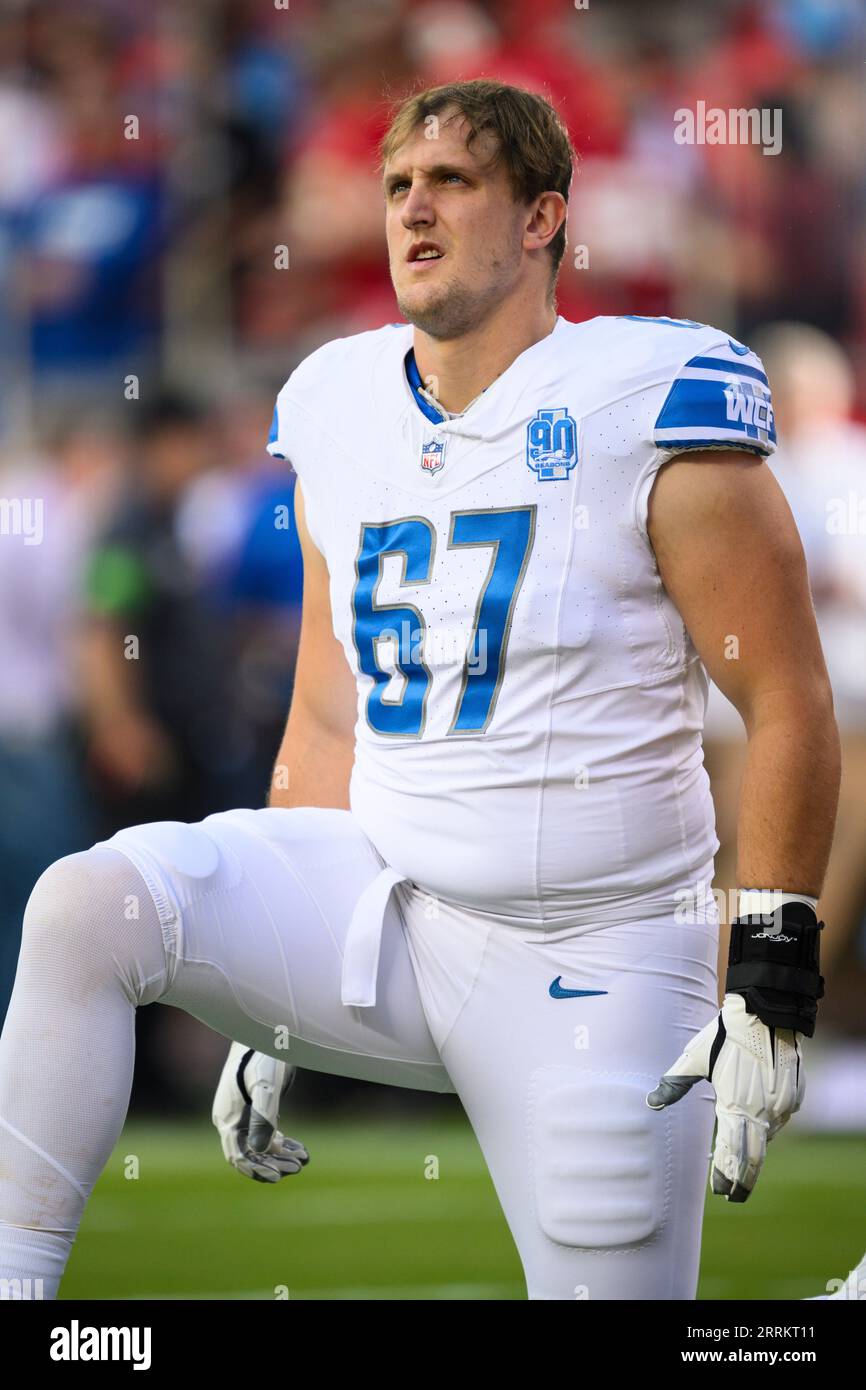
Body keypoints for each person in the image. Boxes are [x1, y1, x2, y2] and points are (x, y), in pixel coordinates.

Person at [0, 80, 843, 1301]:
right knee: (86, 906)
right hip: (382, 913)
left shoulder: (644, 400)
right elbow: (328, 705)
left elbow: (786, 700)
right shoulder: (335, 403)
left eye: (451, 181)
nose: (411, 208)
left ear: (544, 217)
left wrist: (769, 968)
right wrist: (261, 991)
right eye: (398, 184)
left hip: (595, 955)